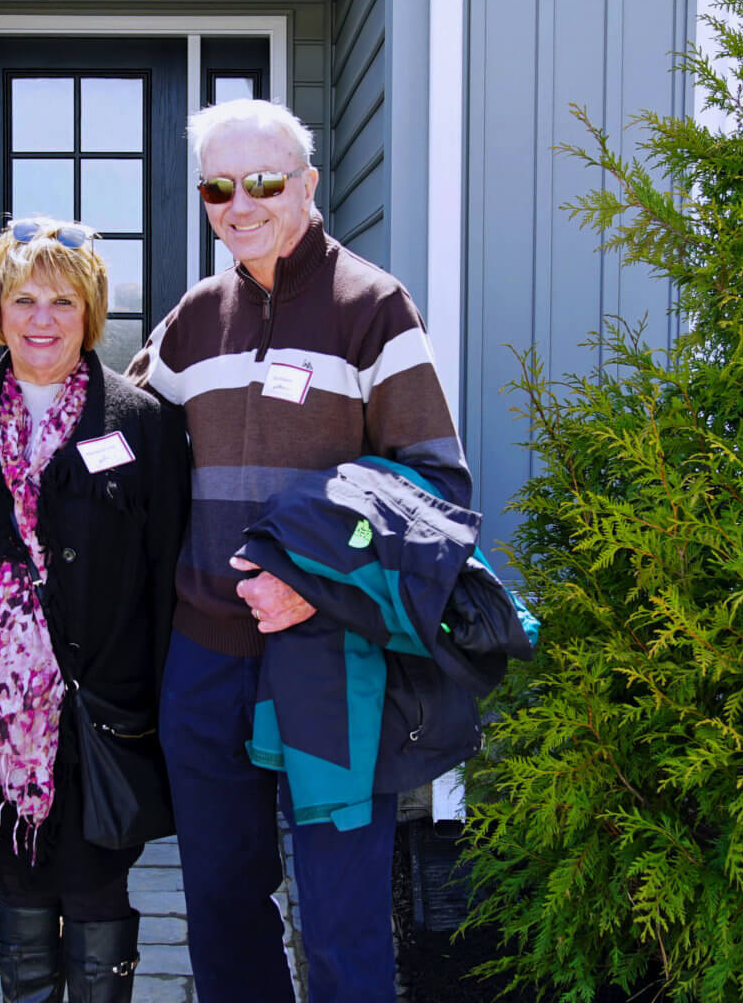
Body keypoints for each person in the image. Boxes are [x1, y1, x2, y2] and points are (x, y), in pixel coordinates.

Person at [125, 99, 471, 1003]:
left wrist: (313, 579)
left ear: (308, 184)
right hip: (203, 661)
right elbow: (118, 435)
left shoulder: (372, 306)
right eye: (218, 186)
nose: (241, 203)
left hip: (330, 662)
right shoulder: (195, 318)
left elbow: (432, 485)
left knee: (342, 913)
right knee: (222, 907)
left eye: (265, 181)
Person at [0, 219, 188, 1003]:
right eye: (24, 300)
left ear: (92, 313)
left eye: (64, 302)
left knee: (97, 886)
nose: (43, 320)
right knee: (20, 885)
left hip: (100, 714)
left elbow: (165, 573)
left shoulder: (139, 421)